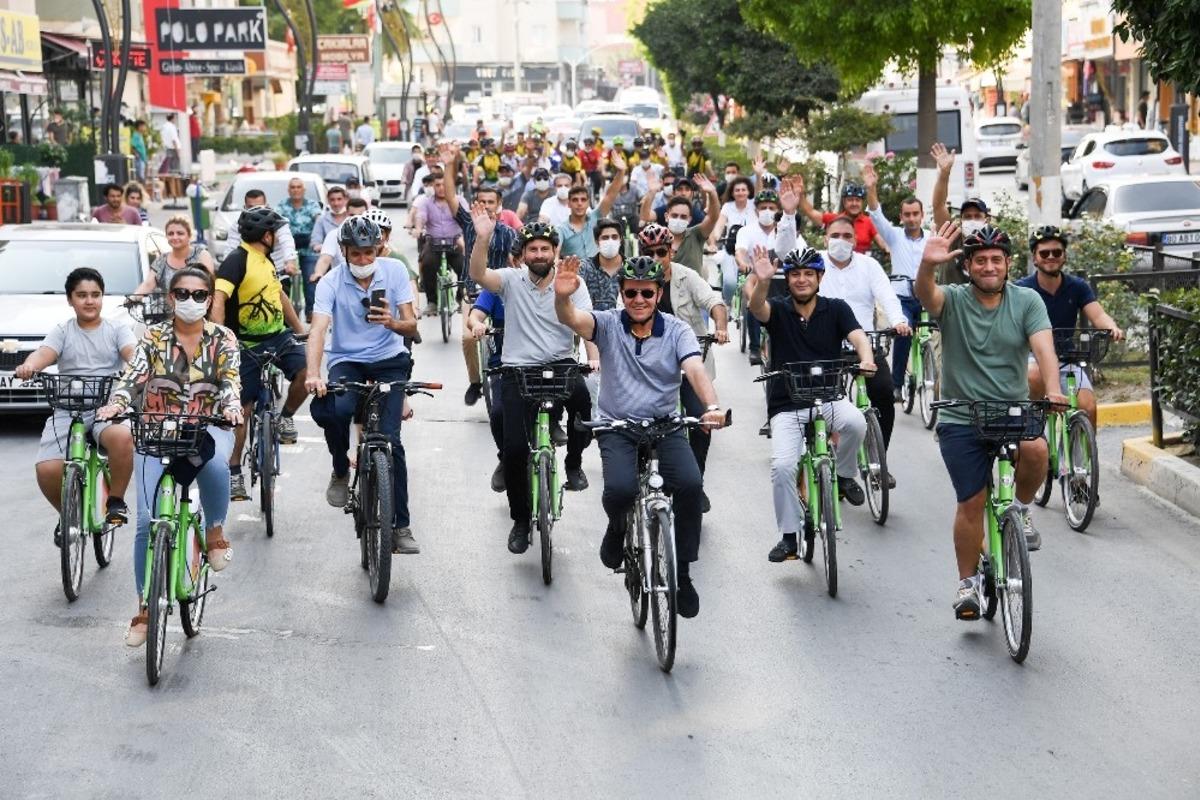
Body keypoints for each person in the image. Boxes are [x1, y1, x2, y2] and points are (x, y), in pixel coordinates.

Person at [552, 255, 727, 619]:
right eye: (631, 292)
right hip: (618, 427)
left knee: (691, 485)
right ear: (622, 293)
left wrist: (711, 406)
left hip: (665, 425)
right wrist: (562, 297)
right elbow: (572, 319)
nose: (639, 300)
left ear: (658, 293)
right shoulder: (607, 323)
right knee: (620, 490)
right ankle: (617, 528)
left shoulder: (677, 330)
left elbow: (695, 369)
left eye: (647, 293)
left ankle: (682, 574)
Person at [913, 223, 1062, 619]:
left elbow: (1044, 349)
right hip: (961, 417)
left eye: (997, 259)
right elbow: (926, 295)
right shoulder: (954, 300)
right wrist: (926, 265)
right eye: (980, 260)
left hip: (1011, 412)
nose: (989, 266)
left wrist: (1053, 389)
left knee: (1037, 450)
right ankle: (968, 583)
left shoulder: (1027, 301)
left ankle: (1021, 509)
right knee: (972, 502)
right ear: (968, 266)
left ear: (1009, 263)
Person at [97, 267, 243, 646]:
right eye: (182, 293)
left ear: (209, 299)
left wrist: (231, 407)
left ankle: (214, 533)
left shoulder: (223, 338)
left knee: (215, 464)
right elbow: (133, 377)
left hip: (208, 426)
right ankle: (145, 608)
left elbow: (230, 380)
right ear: (170, 297)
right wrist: (118, 403)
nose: (190, 300)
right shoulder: (153, 337)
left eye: (199, 294)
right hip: (156, 429)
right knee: (146, 521)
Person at [469, 212, 594, 555]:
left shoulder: (572, 281)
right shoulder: (510, 281)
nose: (539, 254)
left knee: (584, 404)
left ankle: (573, 463)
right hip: (517, 370)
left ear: (555, 251)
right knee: (513, 451)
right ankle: (521, 521)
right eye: (533, 249)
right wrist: (482, 238)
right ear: (523, 254)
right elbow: (478, 274)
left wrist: (594, 357)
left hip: (560, 364)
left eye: (545, 248)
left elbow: (587, 324)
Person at [746, 246, 873, 561]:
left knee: (857, 423)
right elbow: (757, 307)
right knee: (782, 467)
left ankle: (845, 475)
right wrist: (763, 281)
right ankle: (789, 537)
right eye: (795, 275)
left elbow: (858, 336)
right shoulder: (778, 309)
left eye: (808, 274)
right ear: (787, 279)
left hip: (829, 396)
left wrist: (866, 359)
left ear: (820, 277)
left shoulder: (836, 309)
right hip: (786, 404)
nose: (801, 280)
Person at [305, 217, 421, 554]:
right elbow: (318, 330)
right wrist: (313, 373)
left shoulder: (395, 271)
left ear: (379, 248)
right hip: (347, 360)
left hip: (390, 359)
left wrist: (392, 322)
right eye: (355, 253)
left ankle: (401, 526)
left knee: (392, 442)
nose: (362, 259)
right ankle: (341, 468)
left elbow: (412, 326)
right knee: (337, 410)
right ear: (343, 251)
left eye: (368, 252)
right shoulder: (330, 282)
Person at [778, 208, 909, 461]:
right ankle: (821, 456)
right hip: (823, 347)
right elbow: (785, 251)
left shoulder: (869, 265)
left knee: (883, 390)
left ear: (856, 240)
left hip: (864, 345)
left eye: (847, 236)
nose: (841, 240)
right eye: (835, 235)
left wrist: (898, 321)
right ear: (825, 238)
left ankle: (877, 459)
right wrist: (789, 213)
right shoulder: (814, 263)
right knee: (819, 401)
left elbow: (887, 296)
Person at [15, 267, 136, 532]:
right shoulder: (63, 331)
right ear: (70, 299)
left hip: (108, 406)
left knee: (123, 438)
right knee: (47, 469)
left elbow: (132, 353)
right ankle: (69, 515)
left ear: (102, 297)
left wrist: (138, 366)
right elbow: (43, 354)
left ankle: (115, 501)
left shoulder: (117, 329)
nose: (89, 301)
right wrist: (29, 366)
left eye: (95, 294)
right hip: (68, 407)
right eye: (82, 295)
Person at [211, 207, 309, 499]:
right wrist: (220, 339)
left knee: (307, 374)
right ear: (267, 236)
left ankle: (285, 417)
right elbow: (219, 300)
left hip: (278, 338)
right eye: (275, 232)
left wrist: (300, 329)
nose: (278, 236)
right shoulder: (236, 260)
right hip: (245, 345)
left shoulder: (266, 261)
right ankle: (234, 472)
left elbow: (279, 295)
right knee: (242, 410)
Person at [639, 224, 729, 506]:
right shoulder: (635, 282)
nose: (656, 258)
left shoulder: (686, 276)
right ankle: (642, 475)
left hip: (690, 363)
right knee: (640, 423)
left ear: (671, 252)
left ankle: (696, 483)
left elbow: (714, 301)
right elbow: (619, 315)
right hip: (651, 368)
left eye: (661, 252)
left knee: (702, 420)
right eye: (649, 253)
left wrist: (721, 327)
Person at [438, 141, 521, 405]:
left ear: (499, 205)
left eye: (491, 202)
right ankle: (475, 382)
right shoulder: (468, 224)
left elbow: (517, 261)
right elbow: (451, 197)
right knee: (467, 337)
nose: (486, 206)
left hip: (500, 292)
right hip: (472, 291)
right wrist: (449, 164)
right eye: (481, 201)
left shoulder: (509, 233)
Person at [1019, 226, 1124, 429]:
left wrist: (1112, 328)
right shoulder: (1022, 288)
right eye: (1044, 253)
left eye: (1057, 252)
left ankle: (1085, 450)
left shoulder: (1077, 286)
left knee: (1088, 407)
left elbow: (1098, 315)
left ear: (1065, 256)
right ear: (1035, 258)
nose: (1051, 257)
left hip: (1067, 358)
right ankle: (1036, 429)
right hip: (1032, 357)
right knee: (1034, 376)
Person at [863, 161, 927, 398]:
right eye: (907, 214)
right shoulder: (894, 236)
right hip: (903, 298)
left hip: (927, 298)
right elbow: (876, 214)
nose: (911, 218)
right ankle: (897, 385)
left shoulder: (931, 238)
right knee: (903, 332)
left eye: (915, 214)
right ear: (901, 217)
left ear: (922, 215)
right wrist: (871, 188)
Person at [736, 189, 798, 366]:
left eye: (772, 207)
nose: (767, 211)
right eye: (763, 207)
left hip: (785, 291)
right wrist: (754, 297)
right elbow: (741, 254)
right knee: (753, 305)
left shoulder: (792, 241)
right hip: (758, 281)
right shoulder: (748, 233)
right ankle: (755, 347)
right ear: (756, 210)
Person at [223, 189, 300, 291]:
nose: (256, 210)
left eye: (259, 206)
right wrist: (227, 267)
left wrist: (290, 262)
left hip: (278, 272)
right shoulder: (239, 224)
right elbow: (231, 248)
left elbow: (287, 241)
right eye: (251, 207)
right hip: (252, 275)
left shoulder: (277, 221)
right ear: (245, 207)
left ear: (266, 205)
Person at [555, 152, 626, 259]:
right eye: (575, 200)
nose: (579, 203)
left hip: (598, 268)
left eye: (583, 200)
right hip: (574, 269)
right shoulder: (561, 229)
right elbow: (555, 252)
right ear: (569, 204)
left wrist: (621, 172)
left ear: (588, 203)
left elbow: (610, 196)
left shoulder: (596, 217)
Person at [791, 175, 885, 255]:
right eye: (850, 200)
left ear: (862, 203)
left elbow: (884, 243)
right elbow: (810, 211)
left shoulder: (869, 222)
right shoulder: (834, 219)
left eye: (857, 200)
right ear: (844, 202)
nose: (854, 203)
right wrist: (800, 194)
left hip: (861, 267)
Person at [275, 177, 324, 320]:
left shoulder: (312, 205)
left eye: (298, 187)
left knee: (311, 277)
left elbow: (319, 220)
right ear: (288, 190)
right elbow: (276, 222)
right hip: (287, 249)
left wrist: (316, 239)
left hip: (308, 248)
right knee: (281, 279)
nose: (296, 190)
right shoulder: (282, 205)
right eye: (293, 187)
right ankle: (285, 314)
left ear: (303, 189)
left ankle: (311, 311)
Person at [133, 215, 214, 296]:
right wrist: (132, 298)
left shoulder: (202, 255)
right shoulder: (162, 260)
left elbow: (209, 285)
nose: (175, 237)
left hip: (195, 303)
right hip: (167, 304)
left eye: (180, 233)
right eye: (171, 234)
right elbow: (148, 284)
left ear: (189, 235)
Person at [709, 175, 756, 306]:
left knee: (752, 285)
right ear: (732, 193)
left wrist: (758, 174)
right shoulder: (727, 207)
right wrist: (713, 242)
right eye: (737, 190)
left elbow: (760, 191)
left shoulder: (754, 205)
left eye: (743, 190)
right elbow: (719, 227)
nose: (740, 193)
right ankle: (727, 304)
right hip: (731, 250)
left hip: (751, 252)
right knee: (730, 283)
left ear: (749, 191)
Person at [580, 218, 626, 312]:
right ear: (597, 241)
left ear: (620, 239)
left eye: (614, 237)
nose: (610, 241)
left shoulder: (630, 268)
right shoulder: (584, 268)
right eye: (605, 237)